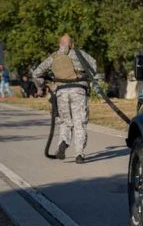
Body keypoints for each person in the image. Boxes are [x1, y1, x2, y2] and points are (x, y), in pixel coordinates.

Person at [32, 34, 97, 164]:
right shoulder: (80, 54)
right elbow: (94, 65)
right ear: (72, 44)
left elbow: (36, 73)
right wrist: (87, 76)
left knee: (65, 122)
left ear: (59, 44)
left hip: (61, 92)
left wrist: (42, 85)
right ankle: (79, 154)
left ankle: (63, 142)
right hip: (78, 90)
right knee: (79, 122)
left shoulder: (53, 57)